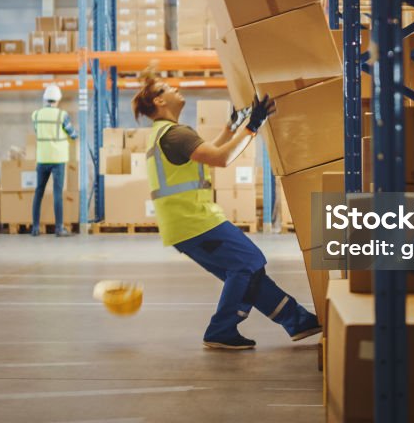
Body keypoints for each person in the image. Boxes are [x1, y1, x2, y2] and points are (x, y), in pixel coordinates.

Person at [132, 72, 321, 350]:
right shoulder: (175, 134)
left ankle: (298, 321)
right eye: (167, 87)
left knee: (247, 271)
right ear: (159, 100)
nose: (176, 88)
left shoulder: (166, 133)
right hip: (195, 221)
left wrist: (232, 127)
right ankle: (221, 329)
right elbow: (221, 158)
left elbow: (210, 149)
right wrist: (253, 126)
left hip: (186, 224)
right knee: (249, 261)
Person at [31, 85, 78, 237]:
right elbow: (72, 134)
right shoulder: (62, 115)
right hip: (58, 159)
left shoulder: (36, 115)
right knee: (58, 193)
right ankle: (59, 228)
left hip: (42, 159)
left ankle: (35, 228)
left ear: (45, 99)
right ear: (58, 100)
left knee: (38, 192)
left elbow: (37, 131)